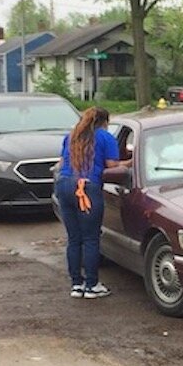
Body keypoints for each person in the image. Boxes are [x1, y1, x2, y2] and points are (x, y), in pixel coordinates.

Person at [55, 106, 125, 299]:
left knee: (74, 239)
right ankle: (92, 285)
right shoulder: (104, 137)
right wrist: (129, 163)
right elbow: (112, 166)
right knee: (91, 238)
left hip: (64, 186)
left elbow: (62, 163)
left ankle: (76, 284)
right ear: (104, 122)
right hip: (87, 189)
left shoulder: (71, 137)